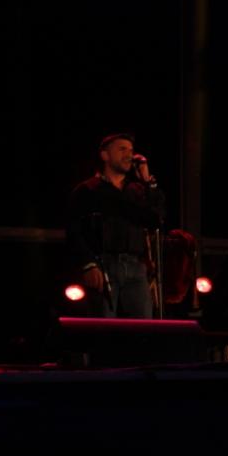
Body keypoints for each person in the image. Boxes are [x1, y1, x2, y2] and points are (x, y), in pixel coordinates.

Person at [67, 133, 165, 318]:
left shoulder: (137, 191)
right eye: (122, 149)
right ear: (105, 155)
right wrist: (88, 263)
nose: (129, 154)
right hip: (104, 265)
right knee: (103, 329)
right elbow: (74, 230)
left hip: (136, 267)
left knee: (143, 330)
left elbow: (156, 219)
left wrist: (147, 182)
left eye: (131, 150)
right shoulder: (88, 190)